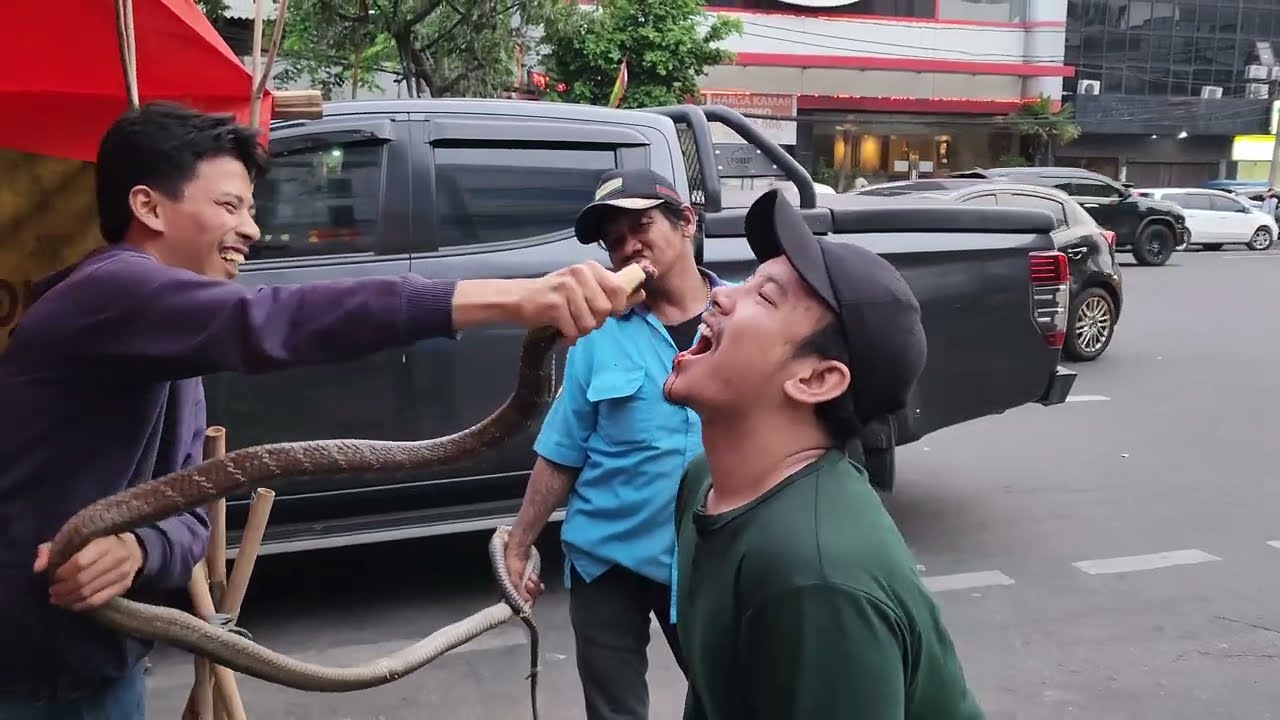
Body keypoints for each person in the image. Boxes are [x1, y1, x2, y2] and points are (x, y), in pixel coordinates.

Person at [0, 101, 642, 719]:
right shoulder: (110, 291)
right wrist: (515, 297)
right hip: (24, 666)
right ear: (148, 206)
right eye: (229, 205)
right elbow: (270, 319)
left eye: (251, 208)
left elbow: (192, 510)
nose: (251, 228)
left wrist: (140, 548)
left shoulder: (171, 345)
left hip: (94, 663)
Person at [664, 188, 985, 719]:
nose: (719, 296)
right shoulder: (705, 483)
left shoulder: (812, 574)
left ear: (815, 379)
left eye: (765, 297)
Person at [503, 168, 726, 720]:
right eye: (614, 240)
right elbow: (562, 450)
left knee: (728, 699)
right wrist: (518, 543)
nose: (628, 247)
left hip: (712, 555)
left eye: (641, 226)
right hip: (606, 559)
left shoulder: (742, 319)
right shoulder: (596, 336)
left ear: (686, 223)